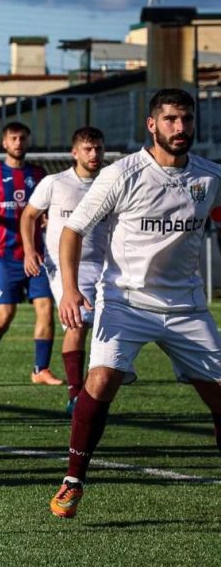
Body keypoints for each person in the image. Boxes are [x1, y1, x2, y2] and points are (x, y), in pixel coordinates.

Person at [49, 89, 221, 518]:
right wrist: (70, 290)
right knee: (102, 380)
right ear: (152, 124)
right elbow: (73, 231)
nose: (179, 128)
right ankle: (73, 480)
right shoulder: (122, 174)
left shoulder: (209, 177)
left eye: (185, 119)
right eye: (170, 120)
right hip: (125, 301)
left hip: (187, 306)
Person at [21, 127, 108, 416]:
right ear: (74, 152)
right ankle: (75, 395)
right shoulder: (55, 182)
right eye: (87, 148)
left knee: (111, 323)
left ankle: (104, 379)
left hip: (106, 264)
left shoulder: (111, 181)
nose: (94, 154)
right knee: (77, 322)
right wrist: (30, 250)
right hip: (65, 265)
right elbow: (29, 215)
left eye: (98, 148)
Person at [0, 122, 60, 385]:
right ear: (4, 143)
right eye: (14, 138)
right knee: (5, 314)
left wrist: (47, 218)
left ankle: (40, 369)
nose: (18, 142)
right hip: (4, 255)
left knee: (45, 309)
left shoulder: (39, 174)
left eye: (22, 138)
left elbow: (48, 208)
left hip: (36, 256)